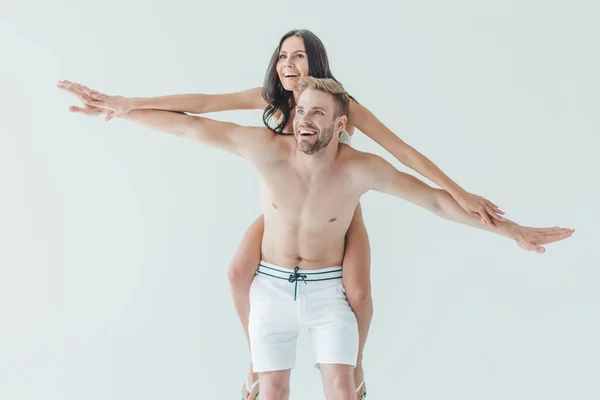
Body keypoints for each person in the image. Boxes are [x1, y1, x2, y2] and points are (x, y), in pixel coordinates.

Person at [57, 29, 507, 400]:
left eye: (299, 57)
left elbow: (402, 152)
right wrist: (126, 103)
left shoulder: (339, 103)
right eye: (282, 57)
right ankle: (259, 355)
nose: (289, 65)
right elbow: (197, 108)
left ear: (318, 65)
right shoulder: (270, 100)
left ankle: (355, 362)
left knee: (358, 293)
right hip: (287, 204)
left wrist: (458, 191)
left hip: (337, 209)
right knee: (237, 272)